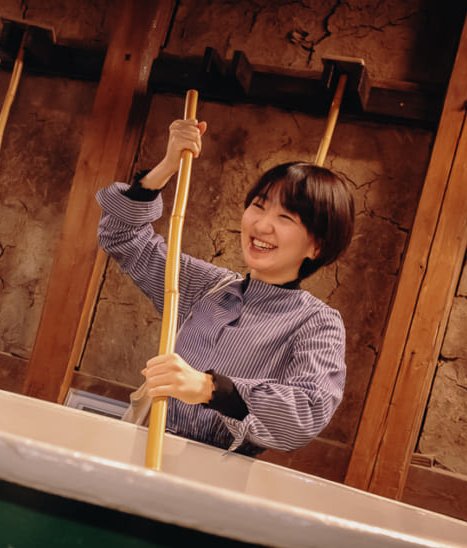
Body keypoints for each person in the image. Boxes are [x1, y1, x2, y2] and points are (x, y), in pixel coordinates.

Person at [95, 118, 354, 455]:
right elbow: (122, 235)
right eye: (258, 206)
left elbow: (307, 413)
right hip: (135, 449)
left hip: (214, 477)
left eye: (285, 218)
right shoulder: (207, 286)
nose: (262, 225)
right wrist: (167, 166)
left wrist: (211, 389)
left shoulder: (317, 323)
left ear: (316, 247)